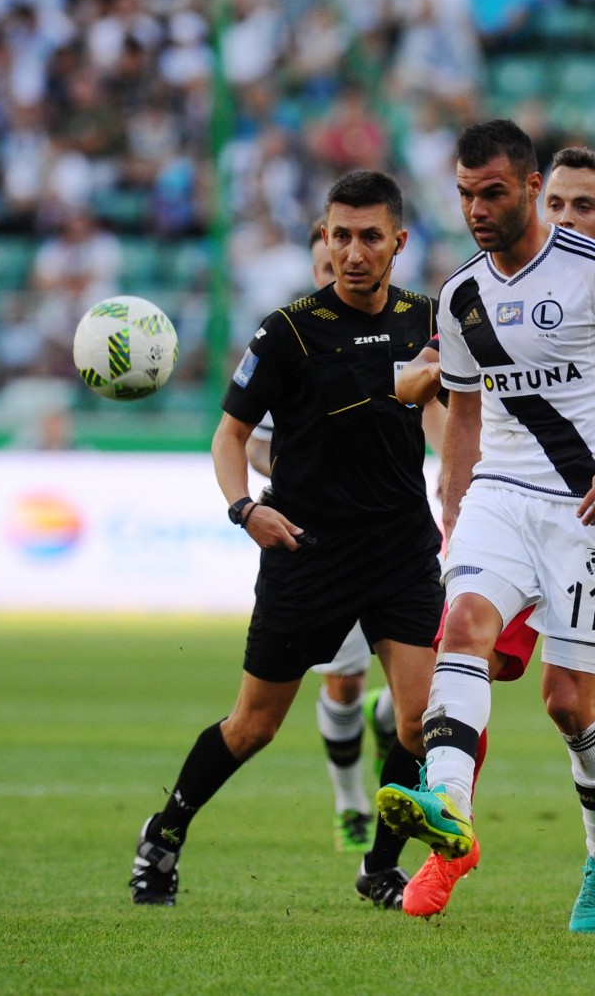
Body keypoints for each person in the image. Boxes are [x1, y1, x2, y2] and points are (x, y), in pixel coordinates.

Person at [395, 145, 595, 924]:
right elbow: (462, 407)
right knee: (464, 630)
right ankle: (450, 821)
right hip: (501, 499)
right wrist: (452, 500)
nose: (477, 209)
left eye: (585, 205)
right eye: (466, 194)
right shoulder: (463, 293)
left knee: (573, 698)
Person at [129, 170, 444, 911]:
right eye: (341, 235)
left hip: (400, 548)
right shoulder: (287, 330)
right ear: (325, 239)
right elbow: (229, 435)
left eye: (370, 236)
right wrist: (245, 508)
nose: (354, 251)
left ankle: (380, 865)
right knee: (254, 725)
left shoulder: (427, 319)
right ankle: (165, 832)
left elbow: (453, 416)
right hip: (308, 551)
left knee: (420, 718)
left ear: (398, 241)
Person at [244, 218, 397, 855]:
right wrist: (296, 463)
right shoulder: (286, 337)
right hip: (318, 541)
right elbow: (248, 437)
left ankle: (389, 721)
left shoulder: (396, 331)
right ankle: (351, 801)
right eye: (328, 261)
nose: (342, 267)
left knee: (433, 683)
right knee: (342, 683)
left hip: (391, 532)